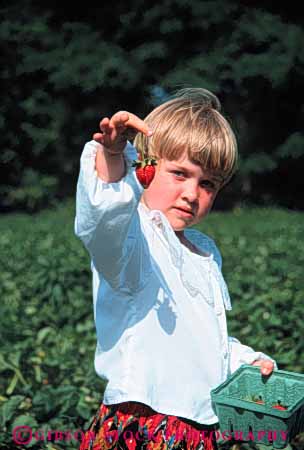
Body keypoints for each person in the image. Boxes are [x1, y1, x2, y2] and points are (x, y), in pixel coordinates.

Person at [75, 88, 277, 450]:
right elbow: (104, 223)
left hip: (198, 431)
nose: (191, 193)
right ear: (145, 168)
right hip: (142, 423)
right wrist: (112, 158)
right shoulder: (133, 239)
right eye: (179, 173)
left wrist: (247, 363)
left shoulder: (203, 253)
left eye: (207, 183)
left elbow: (204, 337)